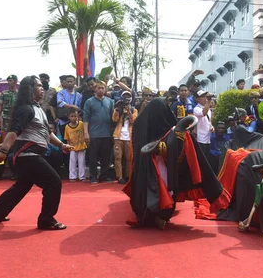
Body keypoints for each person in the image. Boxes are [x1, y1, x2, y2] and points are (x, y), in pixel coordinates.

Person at [0, 76, 74, 230]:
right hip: (28, 155)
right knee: (54, 182)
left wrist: (61, 145)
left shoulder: (38, 109)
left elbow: (46, 132)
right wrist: (4, 150)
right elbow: (14, 131)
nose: (42, 89)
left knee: (22, 186)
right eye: (38, 86)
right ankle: (46, 220)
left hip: (31, 155)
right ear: (30, 89)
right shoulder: (26, 109)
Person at [124, 98, 228, 229]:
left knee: (166, 189)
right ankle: (150, 215)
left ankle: (161, 216)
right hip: (149, 165)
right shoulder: (141, 125)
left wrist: (168, 146)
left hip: (165, 166)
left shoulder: (172, 129)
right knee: (157, 188)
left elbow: (179, 150)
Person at [83, 80, 114, 184]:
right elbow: (86, 118)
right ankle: (93, 176)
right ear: (95, 89)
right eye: (98, 88)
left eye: (102, 88)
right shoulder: (89, 101)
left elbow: (113, 118)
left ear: (105, 89)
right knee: (93, 157)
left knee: (106, 156)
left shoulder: (110, 101)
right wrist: (86, 133)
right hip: (94, 134)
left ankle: (104, 176)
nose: (100, 90)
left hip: (107, 133)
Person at [112, 91, 137, 184]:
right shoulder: (118, 108)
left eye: (128, 96)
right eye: (124, 96)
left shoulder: (134, 109)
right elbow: (114, 119)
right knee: (118, 157)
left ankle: (128, 176)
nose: (126, 98)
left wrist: (129, 111)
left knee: (129, 158)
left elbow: (133, 121)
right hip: (118, 136)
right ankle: (119, 177)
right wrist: (118, 110)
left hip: (129, 137)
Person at [64, 109, 87, 182]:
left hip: (81, 146)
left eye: (75, 116)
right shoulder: (67, 127)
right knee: (72, 162)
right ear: (68, 117)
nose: (74, 118)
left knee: (82, 162)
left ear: (78, 117)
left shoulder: (81, 124)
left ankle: (82, 176)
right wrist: (68, 147)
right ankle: (72, 176)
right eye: (72, 116)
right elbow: (67, 138)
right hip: (72, 147)